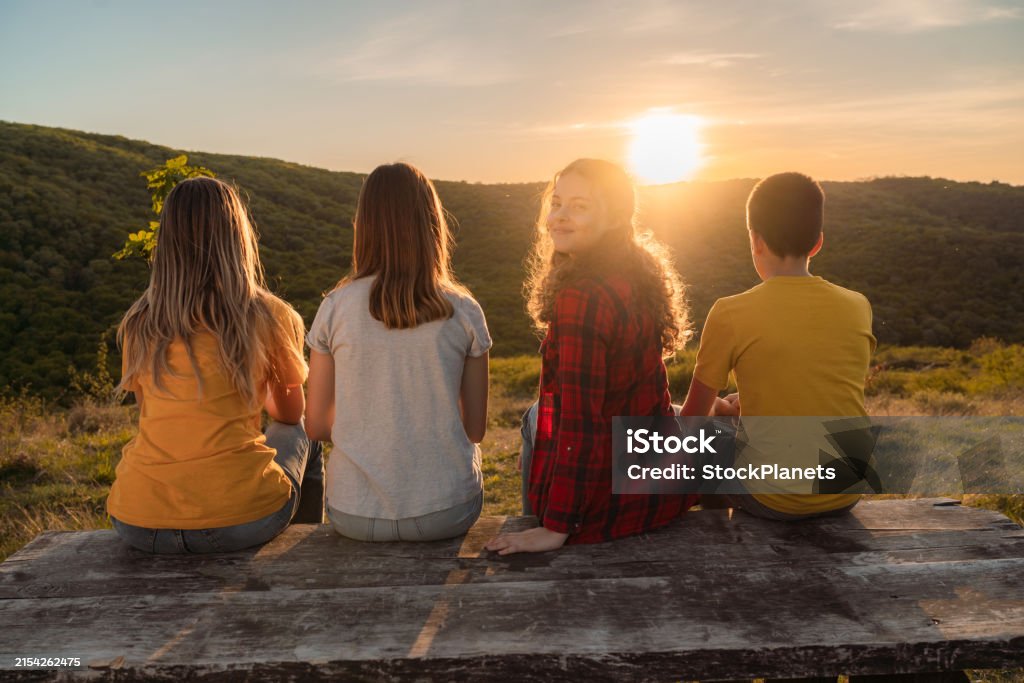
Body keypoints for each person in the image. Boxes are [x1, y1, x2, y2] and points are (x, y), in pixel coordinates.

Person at [485, 159, 697, 556]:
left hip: (606, 505)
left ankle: (540, 513)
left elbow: (581, 426)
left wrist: (557, 527)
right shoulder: (638, 274)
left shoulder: (582, 297)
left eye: (580, 206)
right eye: (557, 203)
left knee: (539, 419)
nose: (559, 217)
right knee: (537, 416)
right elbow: (651, 394)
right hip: (656, 487)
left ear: (614, 217)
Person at [108, 177, 323, 554]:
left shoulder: (140, 321)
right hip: (241, 520)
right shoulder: (268, 315)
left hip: (138, 520)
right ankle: (301, 555)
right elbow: (290, 414)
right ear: (237, 237)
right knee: (307, 433)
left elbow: (153, 416)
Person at [305, 162, 489, 542]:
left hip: (353, 513)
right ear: (431, 226)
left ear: (364, 225)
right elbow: (474, 429)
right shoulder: (465, 310)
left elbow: (317, 427)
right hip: (446, 512)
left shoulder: (335, 307)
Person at [680, 172, 876, 519]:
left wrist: (719, 410)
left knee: (703, 441)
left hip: (776, 500)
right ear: (817, 242)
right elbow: (819, 386)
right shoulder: (858, 305)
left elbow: (692, 420)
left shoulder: (730, 312)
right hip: (846, 492)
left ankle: (720, 537)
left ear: (755, 241)